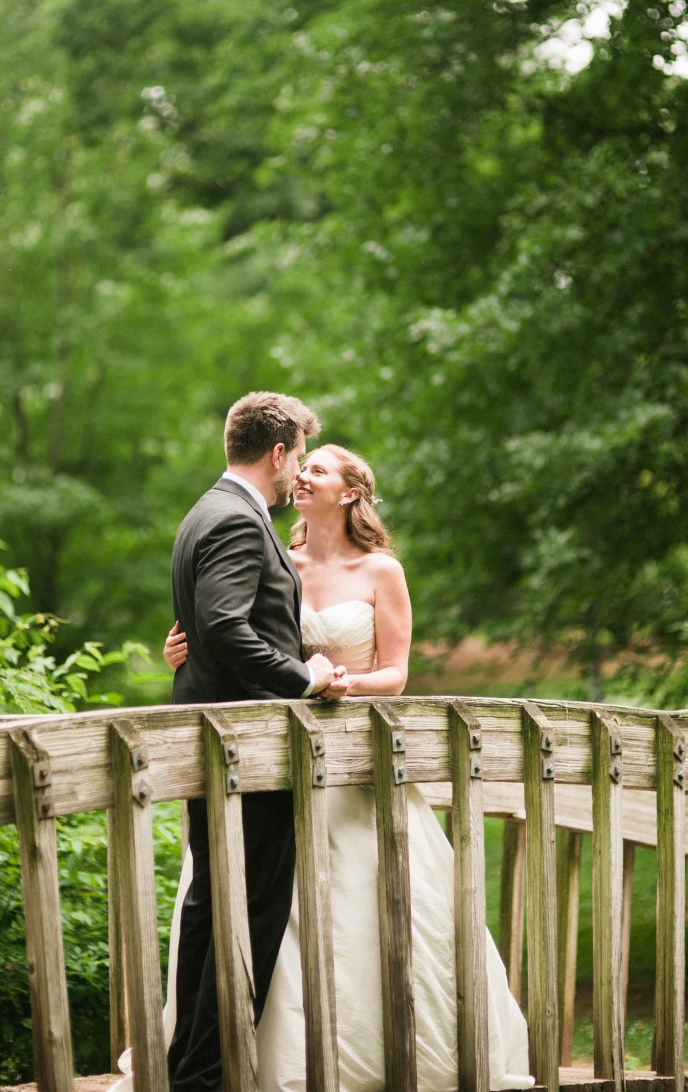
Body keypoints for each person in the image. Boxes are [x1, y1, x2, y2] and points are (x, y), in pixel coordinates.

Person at [154, 444, 535, 1092]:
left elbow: (396, 673)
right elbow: (235, 637)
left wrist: (339, 684)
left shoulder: (381, 570)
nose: (302, 474)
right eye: (301, 466)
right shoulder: (280, 558)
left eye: (319, 469)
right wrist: (183, 654)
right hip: (280, 757)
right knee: (268, 895)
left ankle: (391, 1053)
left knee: (370, 895)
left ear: (352, 492)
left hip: (355, 759)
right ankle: (266, 1058)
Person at [159, 393, 348, 1092]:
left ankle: (192, 1072)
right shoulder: (238, 520)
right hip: (247, 746)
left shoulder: (205, 510)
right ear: (277, 453)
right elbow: (225, 626)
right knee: (251, 909)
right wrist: (305, 680)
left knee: (212, 905)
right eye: (297, 456)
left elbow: (209, 629)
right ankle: (206, 1076)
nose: (296, 469)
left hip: (216, 737)